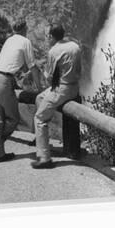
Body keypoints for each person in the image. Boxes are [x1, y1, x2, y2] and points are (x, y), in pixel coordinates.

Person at [0, 20, 42, 163]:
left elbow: (12, 60)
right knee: (13, 118)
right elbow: (33, 66)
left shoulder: (9, 40)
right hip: (4, 80)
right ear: (25, 29)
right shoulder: (25, 41)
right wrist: (39, 88)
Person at [31, 24, 81, 169]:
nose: (47, 38)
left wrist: (41, 70)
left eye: (48, 36)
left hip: (61, 89)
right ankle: (42, 136)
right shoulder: (74, 46)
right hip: (74, 87)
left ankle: (44, 158)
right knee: (40, 98)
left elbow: (49, 78)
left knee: (39, 118)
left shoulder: (54, 51)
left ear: (52, 37)